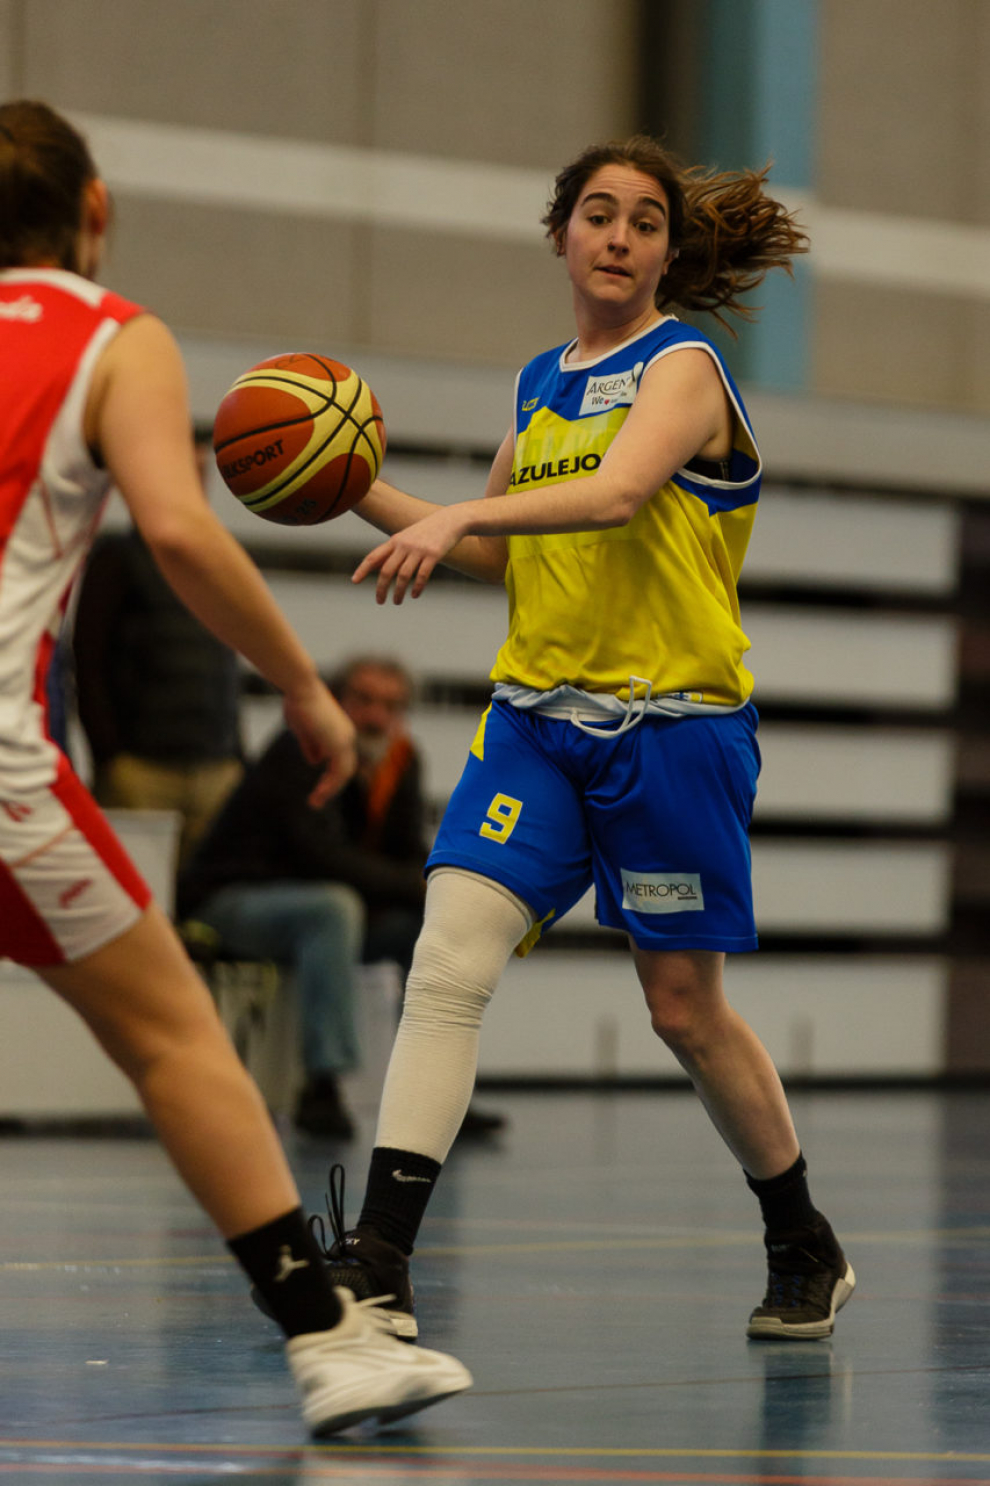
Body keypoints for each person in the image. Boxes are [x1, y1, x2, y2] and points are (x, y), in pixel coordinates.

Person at [313, 135, 856, 1345]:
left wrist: (460, 503)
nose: (618, 236)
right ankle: (381, 1260)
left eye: (644, 221)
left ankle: (802, 1238)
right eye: (597, 214)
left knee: (682, 1011)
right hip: (539, 726)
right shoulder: (538, 382)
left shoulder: (689, 367)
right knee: (449, 955)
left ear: (668, 250)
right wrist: (347, 481)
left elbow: (611, 495)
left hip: (676, 731)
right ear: (561, 234)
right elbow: (499, 548)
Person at [0, 99, 470, 1436]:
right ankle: (330, 1340)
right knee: (174, 1034)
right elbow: (185, 535)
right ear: (95, 210)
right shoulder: (114, 336)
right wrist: (310, 691)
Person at [178, 653, 506, 1141]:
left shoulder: (401, 758)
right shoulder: (304, 747)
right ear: (334, 700)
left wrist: (437, 889)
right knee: (333, 906)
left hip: (329, 910)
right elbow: (317, 854)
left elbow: (406, 852)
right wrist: (413, 882)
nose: (376, 716)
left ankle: (440, 1091)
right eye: (363, 700)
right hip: (231, 903)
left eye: (390, 705)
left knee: (434, 922)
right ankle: (322, 1089)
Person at [72, 427, 245, 868]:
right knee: (140, 888)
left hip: (215, 765)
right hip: (141, 767)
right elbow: (88, 661)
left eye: (201, 471)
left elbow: (226, 659)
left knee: (199, 898)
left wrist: (236, 755)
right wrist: (110, 757)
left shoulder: (218, 555)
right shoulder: (119, 558)